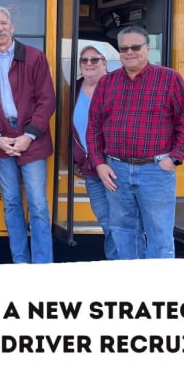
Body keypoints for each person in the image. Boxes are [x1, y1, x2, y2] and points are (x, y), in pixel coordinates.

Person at [87, 25, 184, 259]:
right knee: (122, 233)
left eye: (135, 47)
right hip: (116, 171)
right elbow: (94, 128)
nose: (130, 52)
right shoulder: (107, 83)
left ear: (147, 49)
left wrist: (172, 160)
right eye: (124, 48)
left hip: (155, 171)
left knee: (159, 235)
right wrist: (99, 163)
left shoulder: (170, 79)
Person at [0, 6, 56, 264]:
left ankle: (42, 265)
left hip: (34, 140)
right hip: (1, 141)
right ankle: (20, 263)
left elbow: (47, 100)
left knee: (38, 206)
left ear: (12, 27)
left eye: (3, 23)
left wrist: (29, 135)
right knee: (12, 205)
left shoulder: (34, 57)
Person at [72, 45, 116, 260]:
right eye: (84, 60)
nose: (89, 64)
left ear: (105, 63)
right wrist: (76, 158)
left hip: (114, 167)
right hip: (90, 169)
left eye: (95, 60)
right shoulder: (75, 88)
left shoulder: (115, 86)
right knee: (106, 221)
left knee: (120, 222)